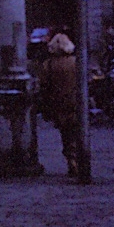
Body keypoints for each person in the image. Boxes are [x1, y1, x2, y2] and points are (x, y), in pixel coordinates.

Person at [38, 29, 80, 176]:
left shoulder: (48, 65)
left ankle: (71, 160)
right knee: (77, 132)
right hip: (76, 102)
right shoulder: (76, 62)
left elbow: (43, 85)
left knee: (66, 134)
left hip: (58, 103)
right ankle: (77, 158)